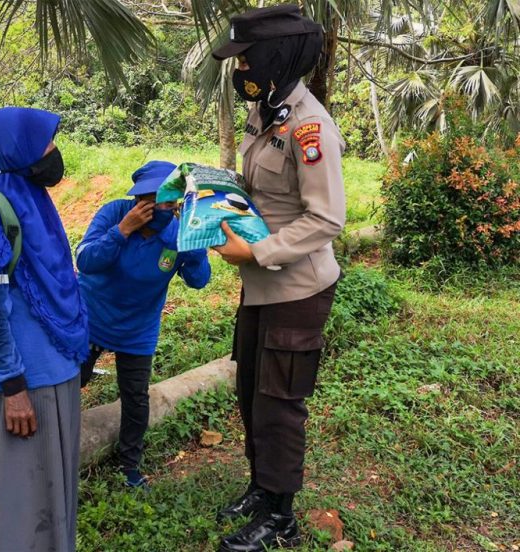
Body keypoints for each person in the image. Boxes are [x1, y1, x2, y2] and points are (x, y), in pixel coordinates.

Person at [210, 5, 346, 551]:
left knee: (279, 402)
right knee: (250, 391)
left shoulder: (311, 127)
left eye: (245, 58)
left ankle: (281, 517)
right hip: (261, 286)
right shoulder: (270, 113)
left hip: (297, 288)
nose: (239, 69)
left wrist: (258, 249)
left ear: (274, 56)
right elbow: (264, 194)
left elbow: (327, 219)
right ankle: (261, 490)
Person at [0, 107, 89, 551]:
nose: (53, 152)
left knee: (55, 489)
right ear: (18, 148)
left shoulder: (33, 198)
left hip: (58, 367)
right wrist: (12, 386)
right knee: (24, 497)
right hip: (26, 380)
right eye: (45, 143)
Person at [76, 160, 211, 488]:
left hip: (137, 328)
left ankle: (130, 467)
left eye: (164, 200)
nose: (155, 207)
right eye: (148, 199)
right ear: (136, 199)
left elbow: (199, 280)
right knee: (70, 381)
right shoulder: (114, 213)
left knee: (135, 397)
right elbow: (86, 261)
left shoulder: (178, 233)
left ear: (176, 201)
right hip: (91, 316)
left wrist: (192, 250)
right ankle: (53, 446)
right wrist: (122, 231)